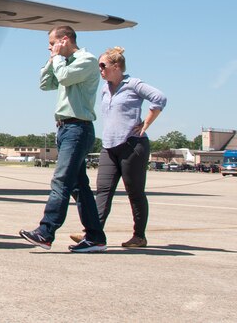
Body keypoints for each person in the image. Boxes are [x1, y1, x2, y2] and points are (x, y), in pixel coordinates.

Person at [19, 25, 107, 252]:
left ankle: (46, 232)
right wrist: (52, 60)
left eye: (52, 43)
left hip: (78, 128)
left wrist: (57, 59)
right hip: (65, 129)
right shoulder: (62, 63)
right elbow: (45, 84)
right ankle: (95, 237)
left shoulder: (86, 60)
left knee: (61, 181)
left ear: (64, 40)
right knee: (79, 187)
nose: (49, 48)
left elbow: (65, 79)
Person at [69, 46, 166, 248]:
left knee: (135, 192)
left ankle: (139, 236)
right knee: (103, 190)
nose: (100, 70)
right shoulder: (105, 88)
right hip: (109, 145)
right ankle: (93, 233)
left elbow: (159, 98)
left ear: (116, 66)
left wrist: (146, 123)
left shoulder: (133, 84)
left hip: (132, 145)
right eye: (99, 66)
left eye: (103, 65)